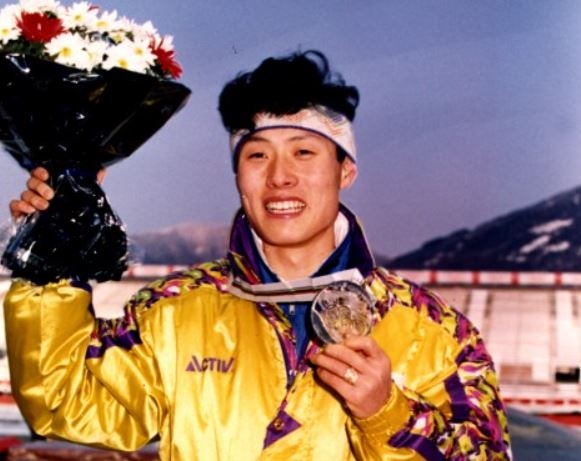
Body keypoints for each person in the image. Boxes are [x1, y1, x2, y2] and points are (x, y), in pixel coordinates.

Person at [4, 50, 512, 460]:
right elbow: (65, 402)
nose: (279, 176)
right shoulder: (178, 310)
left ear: (346, 170)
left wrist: (388, 415)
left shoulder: (436, 333)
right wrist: (53, 260)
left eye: (304, 152)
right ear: (238, 174)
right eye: (257, 155)